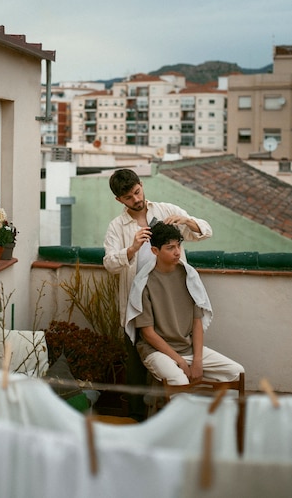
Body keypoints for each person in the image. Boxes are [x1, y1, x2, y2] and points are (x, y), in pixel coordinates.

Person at [103, 168, 213, 419]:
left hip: (173, 303)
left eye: (137, 192)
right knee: (136, 368)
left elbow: (206, 231)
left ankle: (171, 417)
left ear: (141, 185)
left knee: (177, 357)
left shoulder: (164, 210)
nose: (136, 199)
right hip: (138, 306)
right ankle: (138, 420)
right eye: (128, 197)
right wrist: (131, 249)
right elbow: (109, 264)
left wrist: (186, 221)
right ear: (119, 200)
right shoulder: (117, 227)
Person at [125, 222, 244, 386]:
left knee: (237, 373)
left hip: (187, 348)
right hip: (156, 352)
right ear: (155, 251)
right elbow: (148, 334)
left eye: (178, 246)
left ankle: (219, 412)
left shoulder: (189, 276)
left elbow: (197, 322)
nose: (177, 252)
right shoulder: (143, 283)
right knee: (180, 381)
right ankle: (184, 411)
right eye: (170, 248)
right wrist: (180, 362)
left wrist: (197, 360)